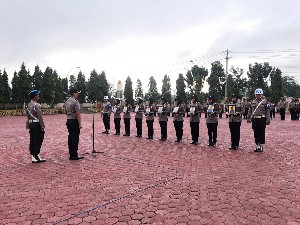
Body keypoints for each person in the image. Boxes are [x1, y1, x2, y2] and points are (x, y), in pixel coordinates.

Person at [27, 90, 46, 163]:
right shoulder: (37, 105)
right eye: (38, 95)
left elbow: (28, 116)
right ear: (35, 96)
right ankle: (36, 155)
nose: (38, 96)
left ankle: (33, 156)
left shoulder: (29, 105)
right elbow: (40, 117)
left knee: (32, 140)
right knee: (38, 140)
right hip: (37, 124)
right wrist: (42, 126)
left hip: (31, 124)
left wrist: (29, 124)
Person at [65, 88, 84, 160]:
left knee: (70, 137)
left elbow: (65, 112)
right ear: (74, 93)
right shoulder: (75, 102)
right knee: (75, 138)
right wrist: (80, 124)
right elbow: (78, 114)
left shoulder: (67, 101)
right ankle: (74, 155)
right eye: (77, 93)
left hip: (68, 120)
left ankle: (71, 153)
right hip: (74, 121)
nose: (78, 94)